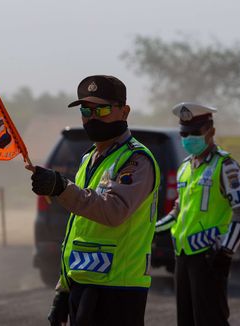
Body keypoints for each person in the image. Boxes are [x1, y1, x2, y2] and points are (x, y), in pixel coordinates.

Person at [27, 75, 160, 326]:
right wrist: (63, 289)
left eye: (103, 109)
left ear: (124, 111)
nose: (92, 117)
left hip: (119, 290)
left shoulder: (136, 160)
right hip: (84, 285)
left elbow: (113, 211)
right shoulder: (89, 158)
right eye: (86, 110)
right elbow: (77, 230)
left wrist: (62, 187)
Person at [155, 102, 240, 326]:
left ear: (211, 131)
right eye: (184, 133)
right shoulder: (184, 168)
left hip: (210, 256)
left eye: (194, 133)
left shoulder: (226, 166)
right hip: (182, 255)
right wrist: (150, 229)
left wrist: (226, 252)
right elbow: (177, 213)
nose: (188, 137)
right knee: (186, 320)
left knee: (210, 320)